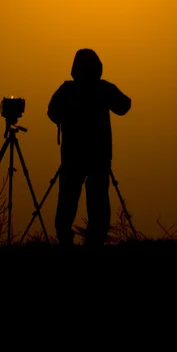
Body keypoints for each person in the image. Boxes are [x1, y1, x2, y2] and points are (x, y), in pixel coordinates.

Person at [47, 49, 131, 247]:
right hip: (97, 155)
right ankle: (94, 241)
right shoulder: (103, 89)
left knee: (68, 198)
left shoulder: (67, 90)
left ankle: (66, 239)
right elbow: (124, 106)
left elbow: (52, 113)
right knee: (97, 199)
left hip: (73, 155)